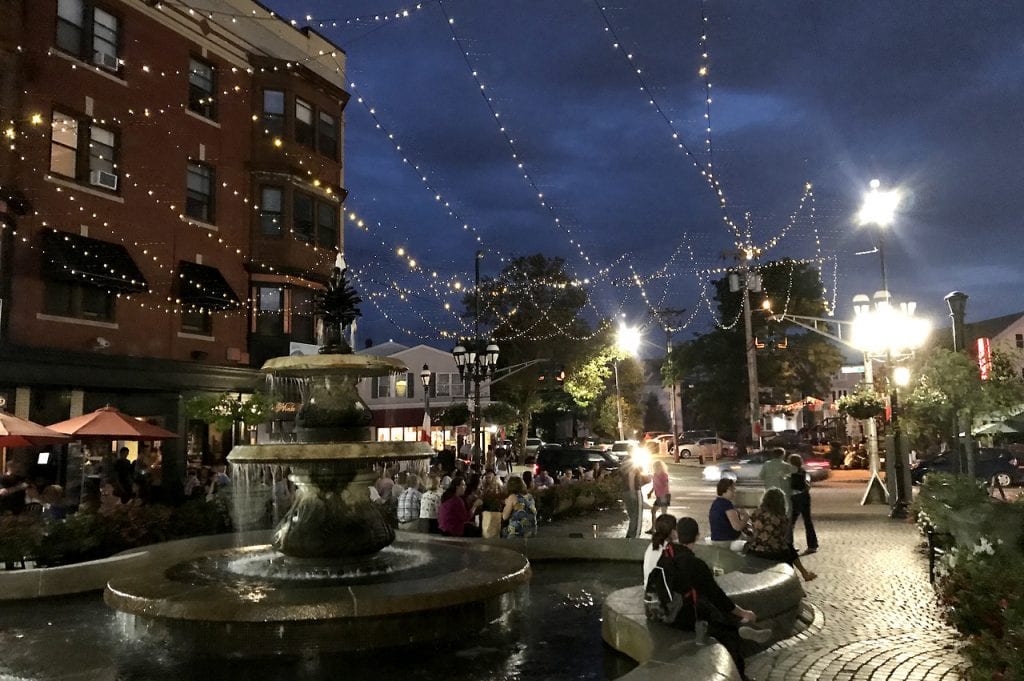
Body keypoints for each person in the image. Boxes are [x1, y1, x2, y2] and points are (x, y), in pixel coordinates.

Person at [654, 516, 771, 681]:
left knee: (713, 609)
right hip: (686, 618)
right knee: (728, 632)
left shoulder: (667, 555)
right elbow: (717, 596)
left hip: (667, 612)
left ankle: (741, 626)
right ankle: (741, 671)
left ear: (676, 534)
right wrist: (742, 612)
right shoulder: (696, 564)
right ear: (697, 536)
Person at [746, 488, 817, 582]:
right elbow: (782, 536)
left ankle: (803, 574)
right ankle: (799, 577)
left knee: (788, 547)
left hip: (755, 550)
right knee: (789, 548)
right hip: (773, 553)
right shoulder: (781, 518)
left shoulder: (756, 513)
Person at [789, 454, 819, 554]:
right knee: (808, 521)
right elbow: (808, 485)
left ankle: (789, 545)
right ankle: (812, 545)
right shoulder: (803, 471)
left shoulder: (789, 472)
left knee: (791, 522)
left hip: (794, 497)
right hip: (805, 497)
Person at [709, 478, 749, 551]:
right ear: (725, 490)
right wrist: (746, 517)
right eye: (732, 489)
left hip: (716, 539)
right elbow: (737, 527)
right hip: (727, 541)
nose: (734, 492)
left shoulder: (716, 503)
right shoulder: (726, 504)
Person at [643, 512, 678, 584]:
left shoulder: (653, 545)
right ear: (672, 531)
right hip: (659, 589)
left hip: (649, 586)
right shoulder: (666, 549)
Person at [758, 447, 793, 513]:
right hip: (782, 490)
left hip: (769, 489)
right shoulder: (786, 466)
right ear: (783, 455)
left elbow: (761, 476)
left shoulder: (767, 464)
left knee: (769, 507)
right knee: (782, 507)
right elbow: (791, 477)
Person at [623, 459, 649, 538]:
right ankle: (635, 535)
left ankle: (630, 534)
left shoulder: (624, 471)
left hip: (626, 492)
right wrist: (632, 492)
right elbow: (631, 478)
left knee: (632, 515)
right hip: (635, 491)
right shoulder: (633, 469)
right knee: (637, 515)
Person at [648, 459, 671, 530]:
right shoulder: (655, 475)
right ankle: (653, 528)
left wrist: (665, 496)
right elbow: (654, 485)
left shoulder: (664, 475)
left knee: (663, 514)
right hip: (659, 496)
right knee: (653, 511)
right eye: (654, 467)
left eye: (656, 467)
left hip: (664, 496)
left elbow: (666, 485)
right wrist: (650, 492)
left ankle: (665, 529)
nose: (655, 468)